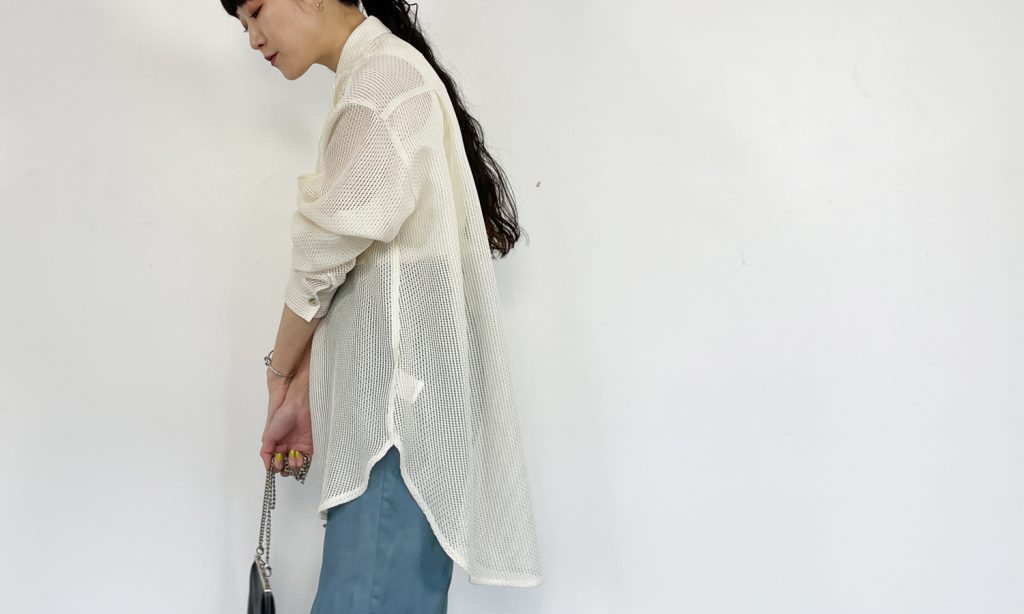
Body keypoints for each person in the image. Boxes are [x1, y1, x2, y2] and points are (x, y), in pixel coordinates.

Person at [222, 0, 544, 611]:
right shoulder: (381, 74)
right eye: (243, 25)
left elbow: (324, 255)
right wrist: (305, 393)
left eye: (257, 10)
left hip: (395, 437)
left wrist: (280, 373)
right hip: (396, 432)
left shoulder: (383, 82)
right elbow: (383, 282)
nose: (254, 37)